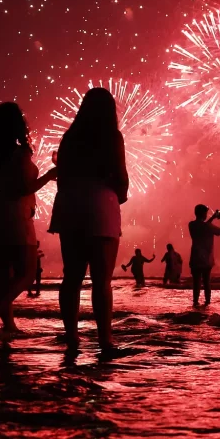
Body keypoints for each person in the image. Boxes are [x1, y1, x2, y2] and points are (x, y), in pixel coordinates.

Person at [48, 87, 129, 355]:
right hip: (99, 205)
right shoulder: (111, 136)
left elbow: (62, 177)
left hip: (69, 204)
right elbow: (121, 176)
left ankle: (71, 336)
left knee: (71, 277)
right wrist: (120, 195)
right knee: (101, 280)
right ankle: (105, 340)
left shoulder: (69, 138)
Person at [0, 102, 57, 337]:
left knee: (3, 275)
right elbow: (25, 188)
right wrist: (49, 175)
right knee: (26, 274)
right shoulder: (20, 154)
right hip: (18, 219)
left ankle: (8, 326)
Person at [188, 204, 220, 306]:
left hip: (195, 258)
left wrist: (212, 218)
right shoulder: (208, 227)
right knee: (206, 283)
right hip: (206, 259)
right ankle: (207, 302)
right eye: (206, 212)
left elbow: (203, 226)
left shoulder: (191, 225)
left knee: (196, 284)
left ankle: (195, 302)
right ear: (203, 213)